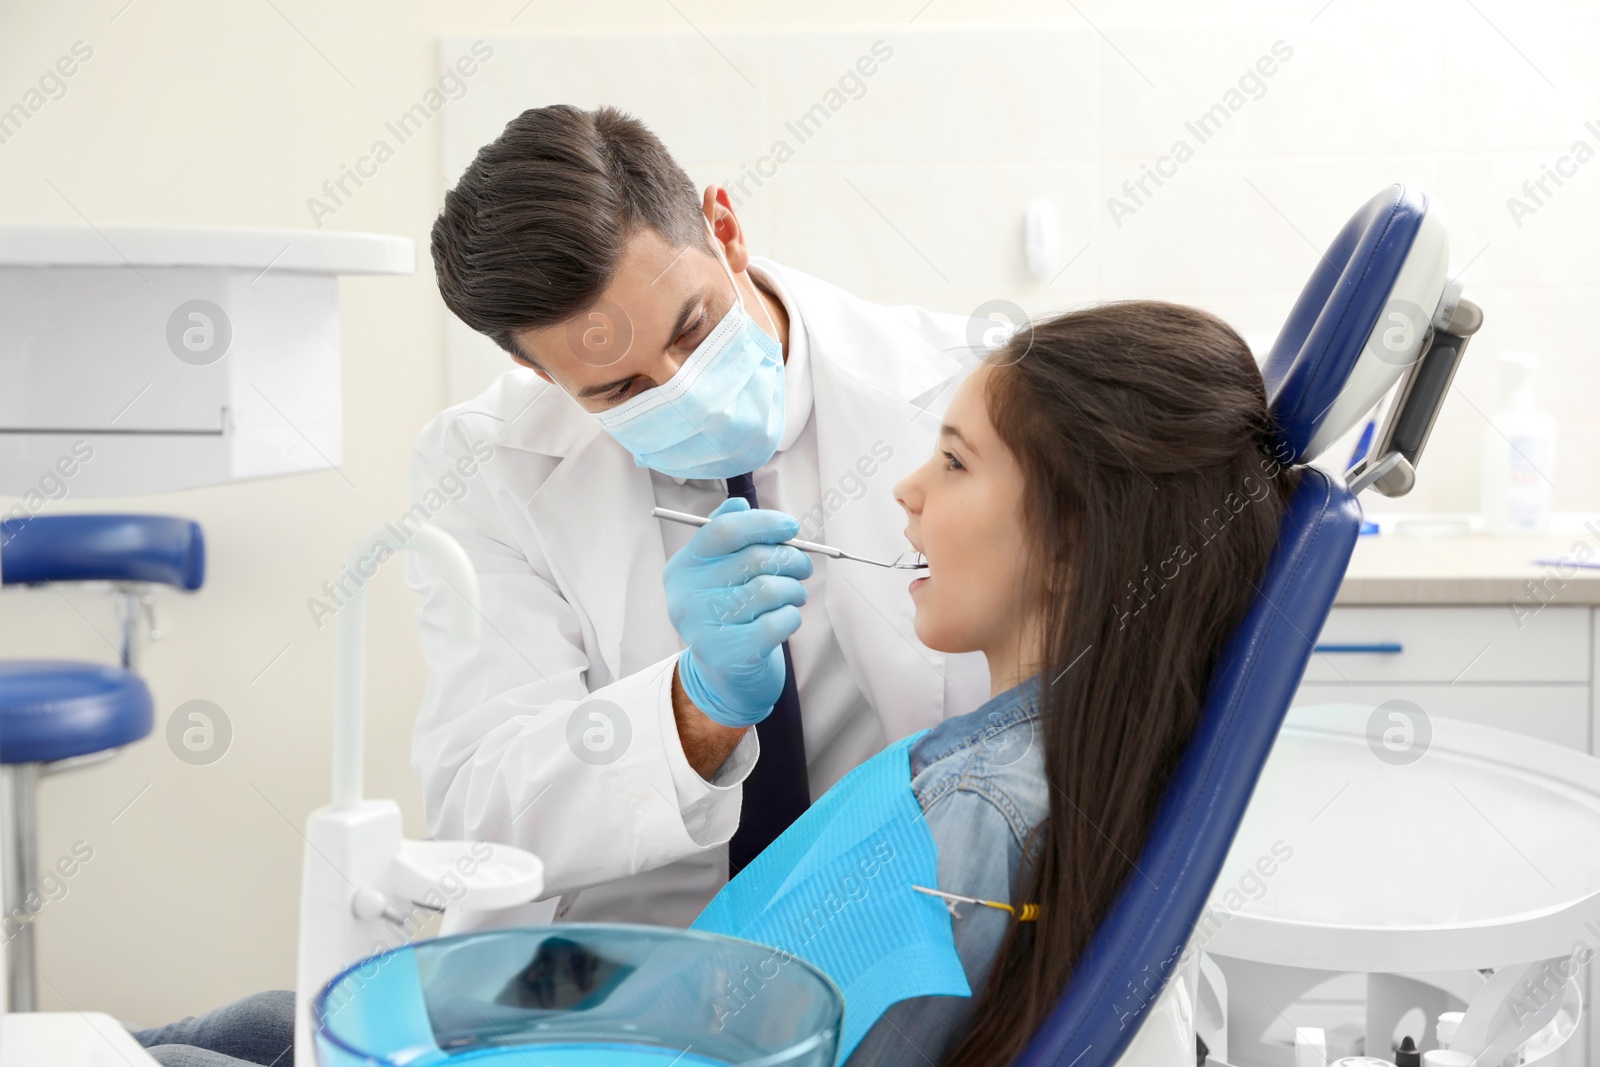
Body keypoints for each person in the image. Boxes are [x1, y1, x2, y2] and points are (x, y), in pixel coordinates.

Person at [408, 103, 989, 928]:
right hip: (633, 976)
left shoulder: (968, 394)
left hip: (903, 939)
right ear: (532, 370)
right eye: (621, 389)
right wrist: (699, 706)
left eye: (695, 327)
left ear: (725, 229)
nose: (681, 383)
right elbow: (479, 820)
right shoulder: (485, 467)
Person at [826, 300, 1299, 1064]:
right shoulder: (1084, 772)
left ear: (1070, 549)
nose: (906, 490)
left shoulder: (985, 809)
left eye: (954, 462)